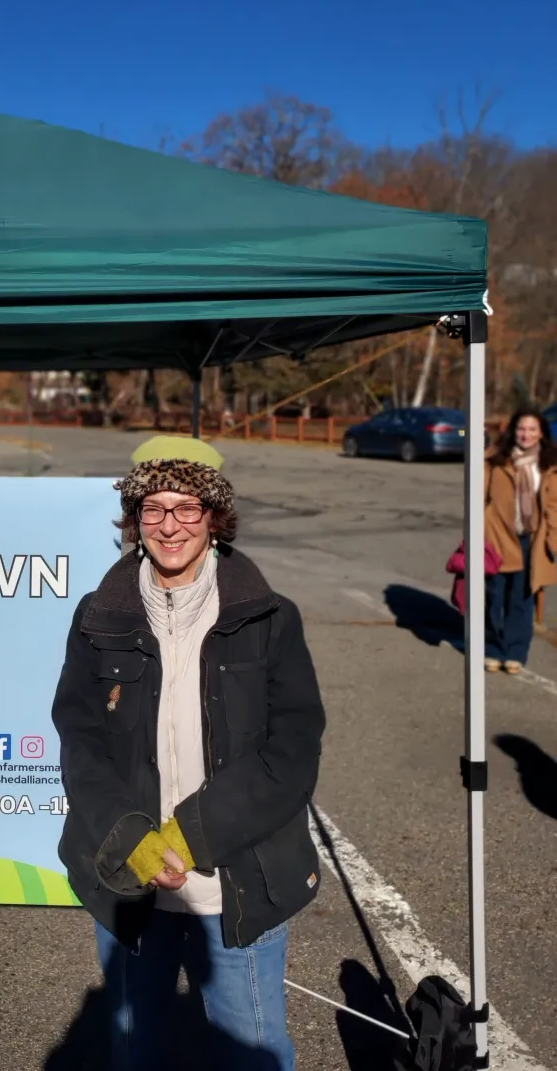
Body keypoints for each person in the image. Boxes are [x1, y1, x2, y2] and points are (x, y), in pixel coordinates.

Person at [51, 456, 325, 1071]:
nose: (169, 526)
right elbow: (81, 736)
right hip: (130, 877)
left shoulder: (269, 617)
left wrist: (192, 833)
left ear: (213, 518)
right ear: (134, 519)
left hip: (235, 879)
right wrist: (133, 838)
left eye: (186, 508)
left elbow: (293, 749)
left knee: (252, 1053)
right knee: (135, 1051)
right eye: (153, 508)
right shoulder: (99, 617)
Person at [483, 408, 557, 674]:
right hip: (498, 535)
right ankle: (492, 649)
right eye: (521, 429)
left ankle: (515, 652)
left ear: (541, 434)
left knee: (522, 597)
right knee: (493, 596)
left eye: (532, 429)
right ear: (513, 430)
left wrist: (553, 537)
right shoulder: (496, 457)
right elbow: (479, 495)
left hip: (532, 539)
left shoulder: (549, 463)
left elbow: (554, 504)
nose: (526, 435)